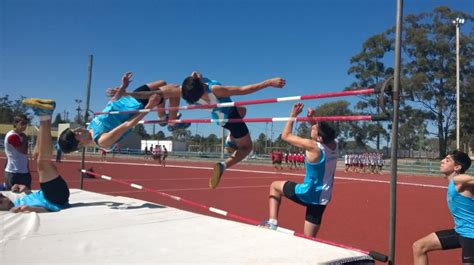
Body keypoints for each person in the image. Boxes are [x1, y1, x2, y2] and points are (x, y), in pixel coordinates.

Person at [181, 71, 285, 188]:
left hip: (219, 117)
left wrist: (195, 77)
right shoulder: (216, 90)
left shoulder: (191, 95)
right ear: (198, 83)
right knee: (246, 147)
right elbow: (243, 90)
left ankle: (230, 139)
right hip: (230, 117)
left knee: (242, 110)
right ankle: (223, 165)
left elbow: (190, 82)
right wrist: (269, 82)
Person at [55, 72, 190, 154]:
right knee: (175, 89)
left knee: (163, 83)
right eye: (76, 135)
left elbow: (111, 104)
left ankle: (162, 118)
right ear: (79, 145)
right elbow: (127, 125)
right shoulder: (102, 140)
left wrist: (123, 87)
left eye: (74, 131)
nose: (77, 131)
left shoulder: (90, 127)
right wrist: (149, 107)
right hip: (138, 105)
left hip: (129, 98)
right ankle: (172, 122)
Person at [259, 103, 338, 238]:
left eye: (315, 126)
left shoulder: (312, 146)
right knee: (309, 239)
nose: (313, 125)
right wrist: (312, 118)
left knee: (274, 186)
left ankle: (272, 223)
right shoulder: (334, 144)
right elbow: (321, 132)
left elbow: (285, 135)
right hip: (323, 197)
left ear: (319, 138)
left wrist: (293, 115)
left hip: (308, 192)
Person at [0, 99, 70, 213]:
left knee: (37, 155)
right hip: (55, 199)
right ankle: (45, 116)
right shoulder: (17, 208)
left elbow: (35, 197)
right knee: (42, 163)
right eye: (0, 202)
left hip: (48, 193)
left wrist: (26, 189)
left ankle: (44, 115)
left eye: (1, 196)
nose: (2, 199)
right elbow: (49, 209)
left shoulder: (19, 200)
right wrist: (29, 208)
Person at [412, 150, 473, 265]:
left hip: (471, 235)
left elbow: (471, 179)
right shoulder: (453, 182)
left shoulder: (459, 180)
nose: (442, 161)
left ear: (457, 167)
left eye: (447, 160)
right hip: (459, 231)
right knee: (419, 247)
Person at [4, 114, 32, 191]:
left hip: (23, 172)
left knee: (27, 197)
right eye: (22, 123)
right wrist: (25, 138)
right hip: (13, 173)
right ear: (15, 124)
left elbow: (24, 156)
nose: (24, 126)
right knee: (12, 197)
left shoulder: (21, 136)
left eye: (25, 123)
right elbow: (23, 150)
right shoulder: (12, 136)